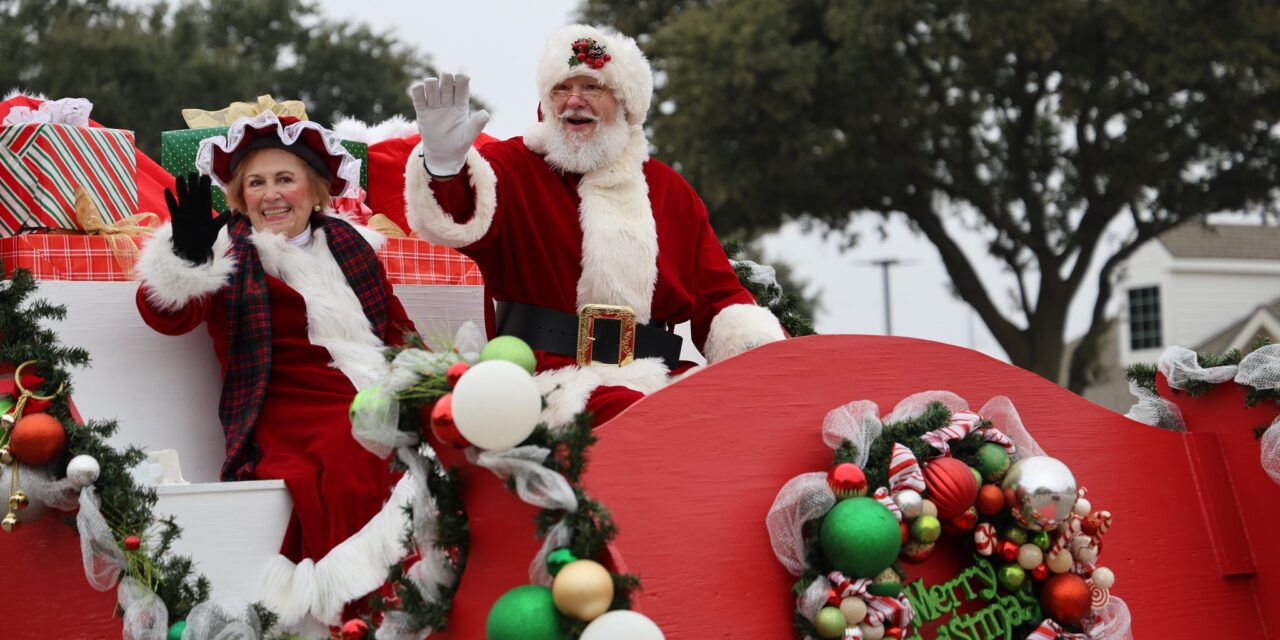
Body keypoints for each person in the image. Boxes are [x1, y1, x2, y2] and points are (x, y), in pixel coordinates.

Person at [404, 24, 786, 428]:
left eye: (591, 87)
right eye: (560, 88)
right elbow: (462, 213)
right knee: (640, 420)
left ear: (623, 102)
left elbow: (721, 297)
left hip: (656, 377)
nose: (573, 101)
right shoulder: (514, 166)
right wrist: (444, 167)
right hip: (545, 380)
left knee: (719, 425)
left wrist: (768, 359)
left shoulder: (669, 191)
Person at [134, 112, 414, 624]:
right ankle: (365, 610)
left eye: (285, 179)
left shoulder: (352, 248)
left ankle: (434, 591)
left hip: (373, 385)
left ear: (315, 190)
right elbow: (168, 317)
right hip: (287, 408)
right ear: (239, 196)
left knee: (442, 433)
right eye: (256, 183)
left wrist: (439, 379)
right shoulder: (228, 253)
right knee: (356, 453)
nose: (271, 195)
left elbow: (397, 332)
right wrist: (187, 259)